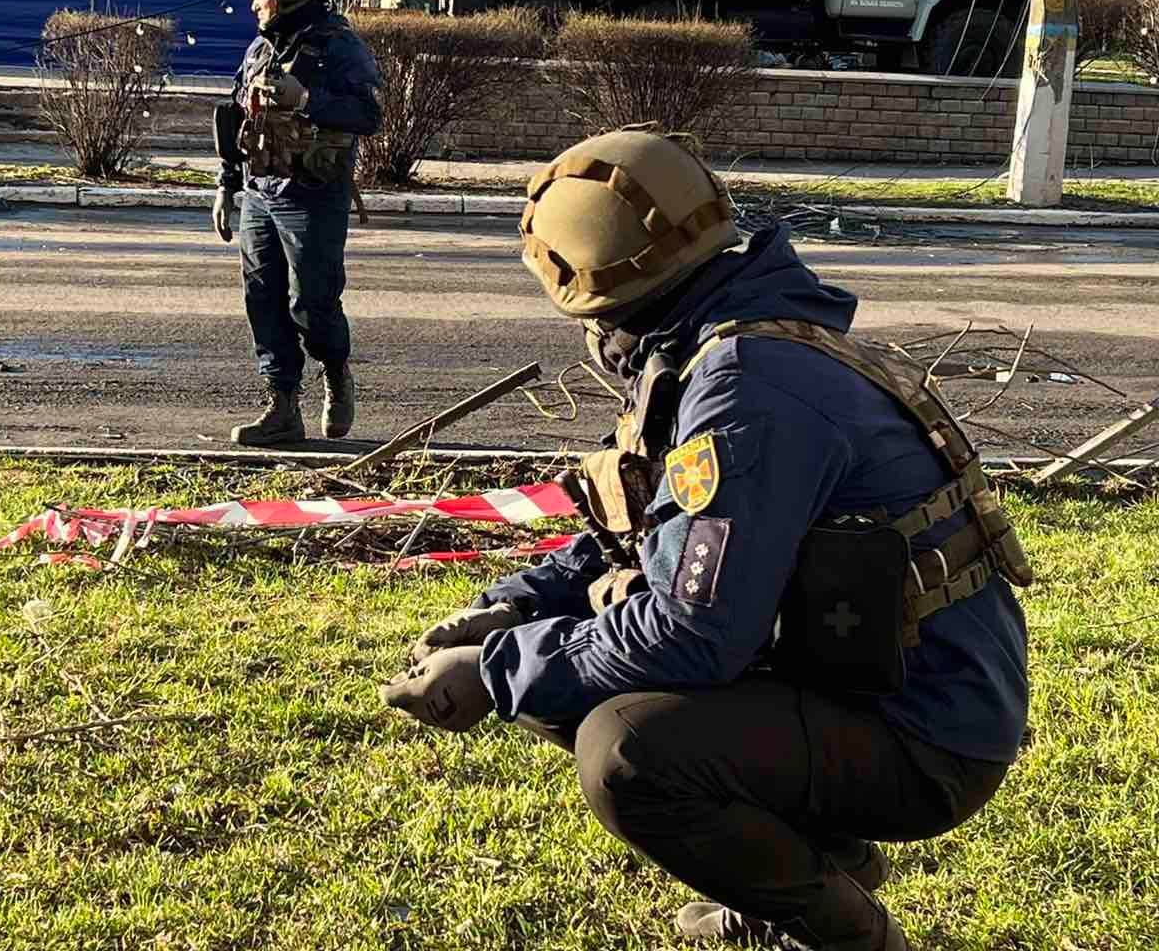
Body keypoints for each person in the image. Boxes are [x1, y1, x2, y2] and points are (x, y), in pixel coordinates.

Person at [381, 128, 1031, 951]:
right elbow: (649, 535)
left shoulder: (745, 383)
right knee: (575, 683)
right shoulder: (723, 335)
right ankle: (805, 868)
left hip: (929, 734)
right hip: (881, 686)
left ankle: (839, 931)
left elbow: (695, 634)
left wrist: (496, 669)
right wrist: (512, 607)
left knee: (628, 747)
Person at [211, 0, 382, 446]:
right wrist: (226, 185)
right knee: (262, 299)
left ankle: (335, 373)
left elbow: (369, 115)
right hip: (260, 192)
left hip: (313, 192)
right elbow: (235, 121)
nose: (253, 5)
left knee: (312, 303)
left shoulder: (337, 46)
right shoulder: (260, 49)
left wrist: (308, 99)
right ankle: (282, 406)